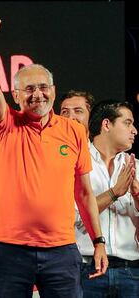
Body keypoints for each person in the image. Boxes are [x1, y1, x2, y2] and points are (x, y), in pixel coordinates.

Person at [0, 7, 107, 297]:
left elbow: (85, 193)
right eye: (28, 89)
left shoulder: (73, 130)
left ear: (53, 90)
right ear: (15, 95)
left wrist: (98, 241)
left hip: (62, 250)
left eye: (43, 87)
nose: (36, 94)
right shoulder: (6, 124)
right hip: (9, 250)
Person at [76, 100, 139, 297]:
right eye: (127, 123)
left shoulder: (136, 167)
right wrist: (114, 193)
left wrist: (137, 197)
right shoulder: (76, 164)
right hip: (85, 270)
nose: (135, 130)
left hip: (132, 272)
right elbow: (73, 216)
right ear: (106, 125)